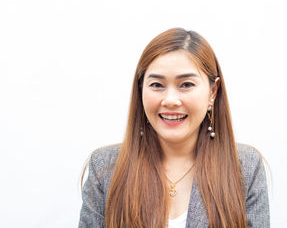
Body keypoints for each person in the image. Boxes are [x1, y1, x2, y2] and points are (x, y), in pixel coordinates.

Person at [79, 28, 270, 228]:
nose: (170, 100)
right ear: (140, 89)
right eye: (157, 85)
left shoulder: (246, 167)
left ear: (213, 92)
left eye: (186, 84)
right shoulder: (105, 167)